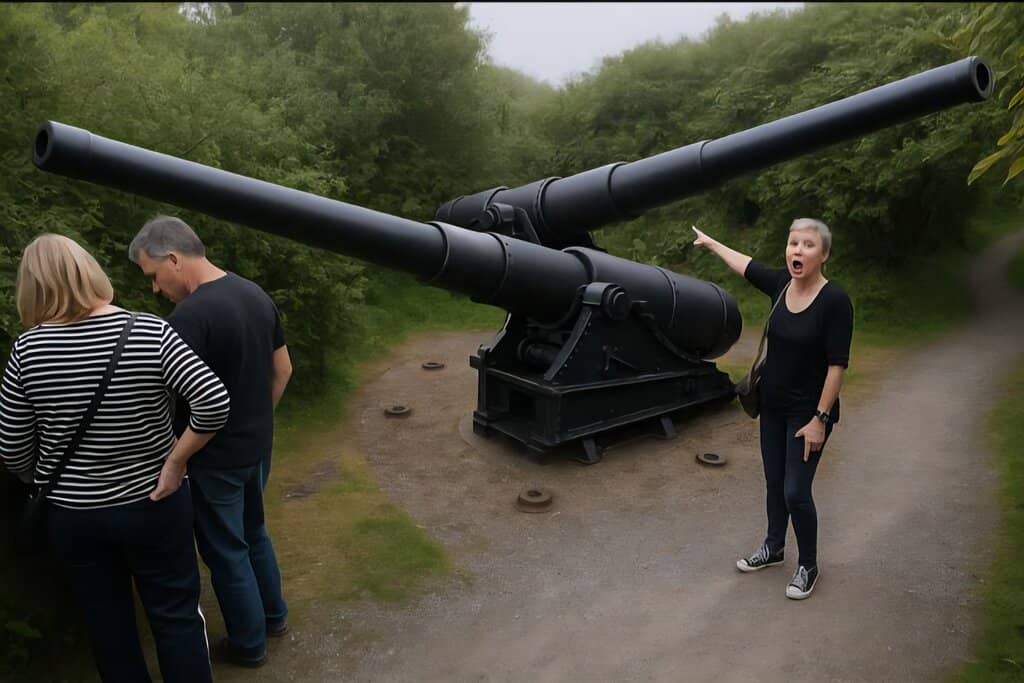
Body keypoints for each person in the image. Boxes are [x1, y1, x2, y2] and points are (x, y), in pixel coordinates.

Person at [0, 233, 230, 682]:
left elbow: (12, 449)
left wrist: (55, 482)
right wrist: (176, 461)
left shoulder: (27, 352)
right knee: (177, 617)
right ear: (89, 271)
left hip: (75, 518)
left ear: (31, 286)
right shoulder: (148, 330)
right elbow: (214, 403)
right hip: (156, 504)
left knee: (108, 629)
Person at [129, 215, 293, 667]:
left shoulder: (189, 317)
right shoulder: (254, 293)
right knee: (254, 533)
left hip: (212, 459)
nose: (156, 290)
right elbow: (283, 371)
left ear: (174, 259)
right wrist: (257, 423)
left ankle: (249, 644)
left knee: (225, 551)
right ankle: (275, 616)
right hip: (257, 450)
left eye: (154, 276)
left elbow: (168, 399)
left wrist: (177, 457)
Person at [692, 218, 853, 600]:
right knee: (774, 483)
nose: (797, 250)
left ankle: (808, 565)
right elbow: (746, 264)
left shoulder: (835, 301)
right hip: (773, 406)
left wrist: (820, 420)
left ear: (824, 254)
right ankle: (774, 547)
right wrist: (713, 244)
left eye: (808, 245)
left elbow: (837, 367)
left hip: (808, 414)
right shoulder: (782, 284)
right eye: (793, 243)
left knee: (796, 490)